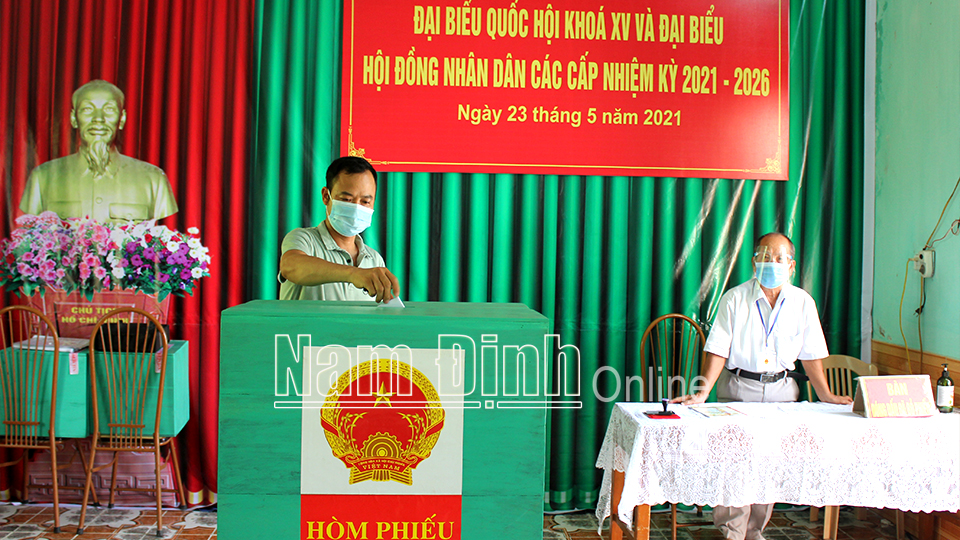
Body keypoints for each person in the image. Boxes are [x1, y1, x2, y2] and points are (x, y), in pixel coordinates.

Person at [672, 231, 852, 540]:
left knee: (769, 465)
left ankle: (755, 530)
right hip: (739, 388)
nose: (772, 263)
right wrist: (703, 392)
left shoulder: (803, 303)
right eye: (765, 256)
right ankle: (732, 531)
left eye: (780, 258)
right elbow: (718, 349)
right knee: (734, 464)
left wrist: (826, 394)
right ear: (754, 261)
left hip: (782, 391)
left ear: (791, 265)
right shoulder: (734, 298)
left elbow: (811, 355)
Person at [19, 79, 178, 224]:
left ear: (122, 119)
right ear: (74, 119)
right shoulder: (43, 177)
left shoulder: (153, 179)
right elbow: (29, 238)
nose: (99, 119)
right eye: (87, 109)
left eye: (109, 109)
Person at [278, 156, 400, 303]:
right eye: (346, 199)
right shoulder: (303, 240)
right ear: (326, 196)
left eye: (365, 201)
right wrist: (353, 274)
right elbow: (290, 266)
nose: (356, 208)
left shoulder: (374, 260)